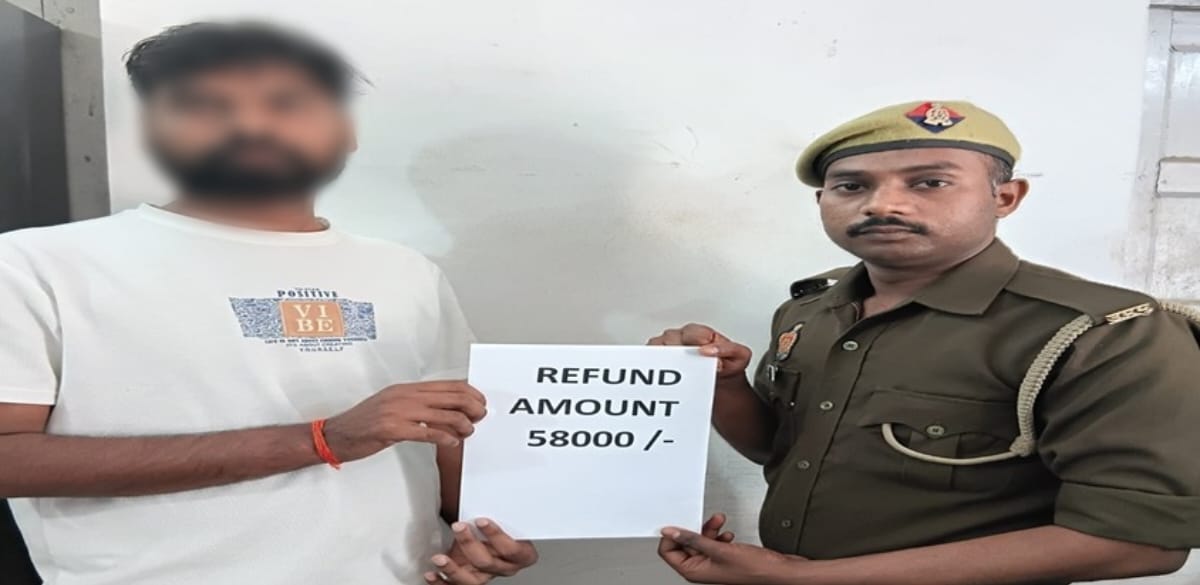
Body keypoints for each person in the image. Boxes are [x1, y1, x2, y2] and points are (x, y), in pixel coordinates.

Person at [0, 22, 536, 585]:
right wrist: (322, 440)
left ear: (345, 131)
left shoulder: (408, 273)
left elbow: (452, 439)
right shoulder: (34, 265)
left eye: (288, 103)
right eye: (205, 106)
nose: (251, 125)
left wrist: (488, 535)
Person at [650, 100, 1200, 585]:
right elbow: (783, 450)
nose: (882, 205)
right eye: (851, 186)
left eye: (929, 183)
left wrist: (808, 579)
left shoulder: (1101, 332)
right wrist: (721, 385)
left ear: (1005, 197)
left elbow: (1139, 542)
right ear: (821, 200)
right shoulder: (811, 312)